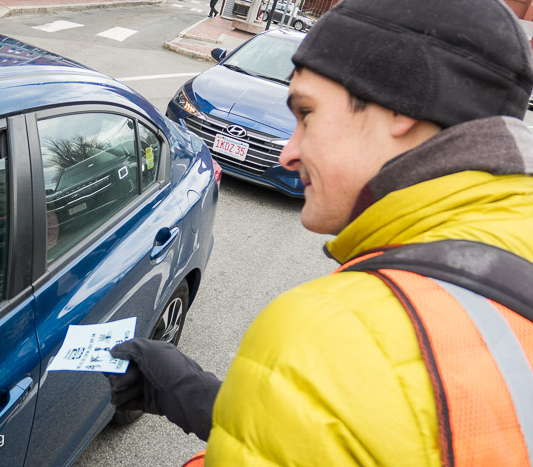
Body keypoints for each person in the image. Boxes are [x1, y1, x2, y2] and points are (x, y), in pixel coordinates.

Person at [107, 0, 533, 464]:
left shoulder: (340, 334)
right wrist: (208, 399)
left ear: (402, 104)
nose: (289, 152)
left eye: (306, 113)